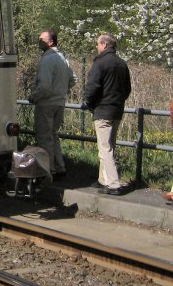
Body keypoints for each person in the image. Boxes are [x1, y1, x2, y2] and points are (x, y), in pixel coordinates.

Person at [84, 33, 132, 195]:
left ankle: (113, 184)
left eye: (98, 44)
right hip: (117, 110)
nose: (96, 47)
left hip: (102, 110)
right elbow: (127, 90)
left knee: (105, 148)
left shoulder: (100, 63)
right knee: (110, 146)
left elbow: (92, 87)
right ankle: (102, 179)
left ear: (104, 44)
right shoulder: (121, 64)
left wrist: (89, 103)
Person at [28, 29, 77, 179]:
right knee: (53, 136)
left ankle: (48, 170)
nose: (39, 41)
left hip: (46, 103)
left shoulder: (48, 59)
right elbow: (73, 79)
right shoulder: (63, 58)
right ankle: (59, 166)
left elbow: (44, 86)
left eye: (41, 39)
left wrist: (34, 97)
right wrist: (61, 90)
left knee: (44, 137)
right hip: (59, 102)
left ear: (50, 42)